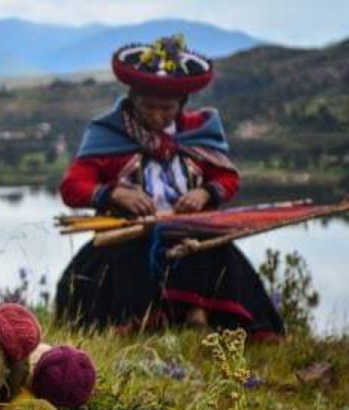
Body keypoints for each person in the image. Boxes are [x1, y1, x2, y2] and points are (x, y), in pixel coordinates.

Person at [55, 36, 283, 338]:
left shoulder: (198, 132)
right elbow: (72, 187)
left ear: (182, 104)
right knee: (124, 255)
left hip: (191, 228)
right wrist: (115, 193)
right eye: (149, 106)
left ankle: (199, 316)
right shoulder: (108, 134)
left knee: (208, 244)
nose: (157, 116)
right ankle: (137, 320)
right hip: (128, 231)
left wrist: (205, 193)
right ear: (132, 99)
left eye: (167, 108)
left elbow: (228, 179)